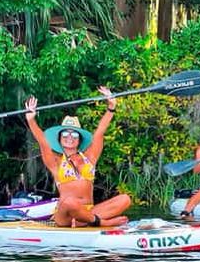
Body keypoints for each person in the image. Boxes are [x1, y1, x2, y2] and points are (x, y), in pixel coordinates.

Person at [25, 87, 131, 227]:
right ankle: (101, 222)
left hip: (88, 212)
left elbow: (99, 133)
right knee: (69, 202)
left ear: (79, 139)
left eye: (74, 134)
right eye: (65, 134)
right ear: (59, 138)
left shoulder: (90, 158)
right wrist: (31, 120)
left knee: (125, 199)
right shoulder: (56, 162)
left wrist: (111, 108)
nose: (70, 137)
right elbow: (42, 141)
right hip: (66, 214)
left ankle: (86, 220)